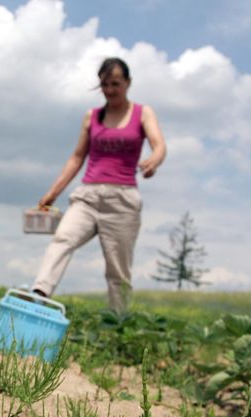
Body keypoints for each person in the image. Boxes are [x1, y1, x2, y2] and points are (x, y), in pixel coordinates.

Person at [30, 57, 166, 312]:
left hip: (123, 201)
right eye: (105, 84)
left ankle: (119, 323)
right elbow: (77, 157)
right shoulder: (91, 117)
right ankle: (39, 294)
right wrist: (52, 193)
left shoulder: (142, 113)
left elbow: (159, 146)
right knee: (63, 239)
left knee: (118, 270)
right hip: (88, 196)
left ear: (128, 83)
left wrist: (153, 161)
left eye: (116, 83)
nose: (110, 90)